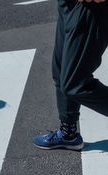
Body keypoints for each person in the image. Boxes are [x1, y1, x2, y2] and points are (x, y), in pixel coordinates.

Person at [33, 0, 108, 150]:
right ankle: (68, 134)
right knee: (60, 71)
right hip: (68, 3)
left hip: (90, 5)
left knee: (75, 83)